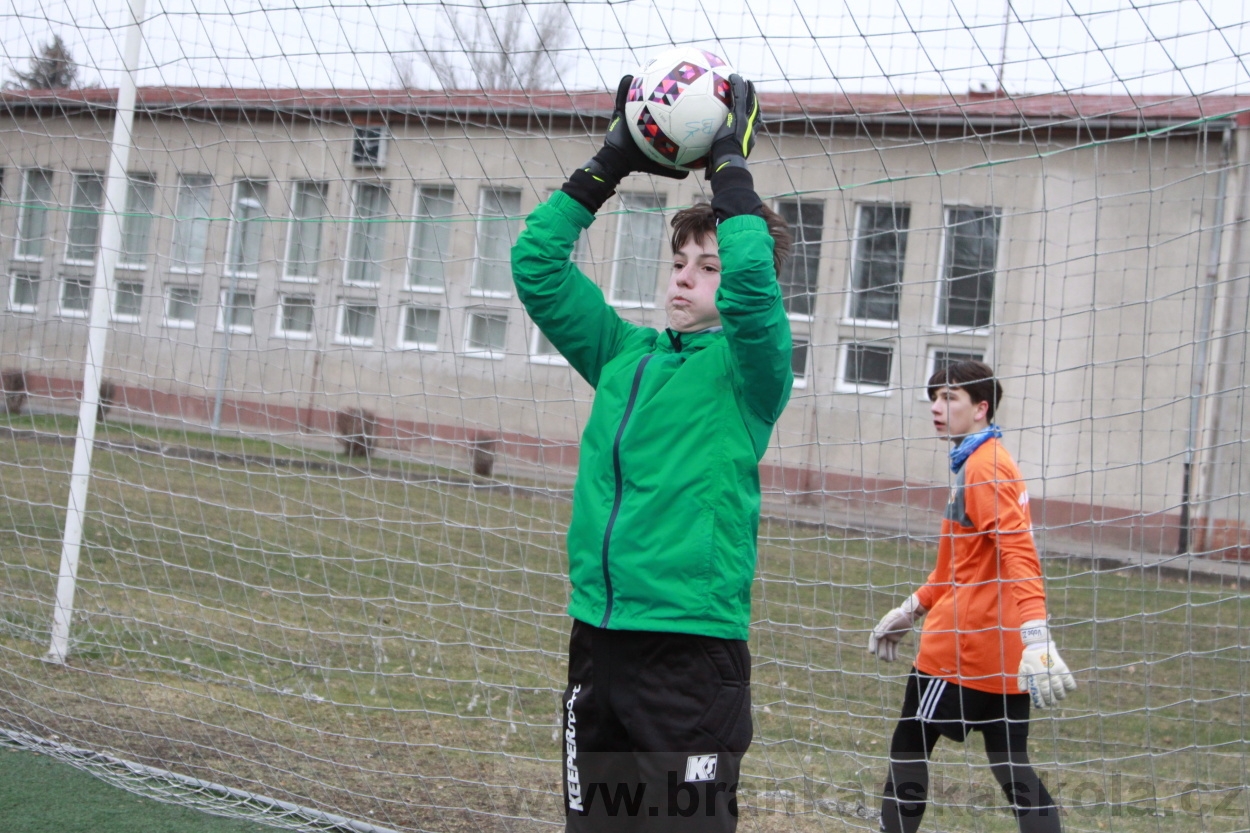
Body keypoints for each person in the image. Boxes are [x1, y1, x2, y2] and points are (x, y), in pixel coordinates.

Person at [511, 72, 792, 832]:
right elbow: (536, 268)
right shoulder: (621, 355)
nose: (686, 279)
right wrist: (610, 163)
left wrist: (729, 167)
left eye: (709, 267)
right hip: (600, 642)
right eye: (679, 264)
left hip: (688, 654)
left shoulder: (750, 373)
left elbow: (755, 295)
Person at [867, 360, 1077, 833]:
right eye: (934, 398)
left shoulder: (985, 469)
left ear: (981, 408)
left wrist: (1039, 635)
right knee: (1010, 766)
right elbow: (958, 567)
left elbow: (1022, 557)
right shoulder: (983, 459)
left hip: (962, 652)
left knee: (909, 744)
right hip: (1006, 656)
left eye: (950, 398)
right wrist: (912, 608)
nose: (937, 408)